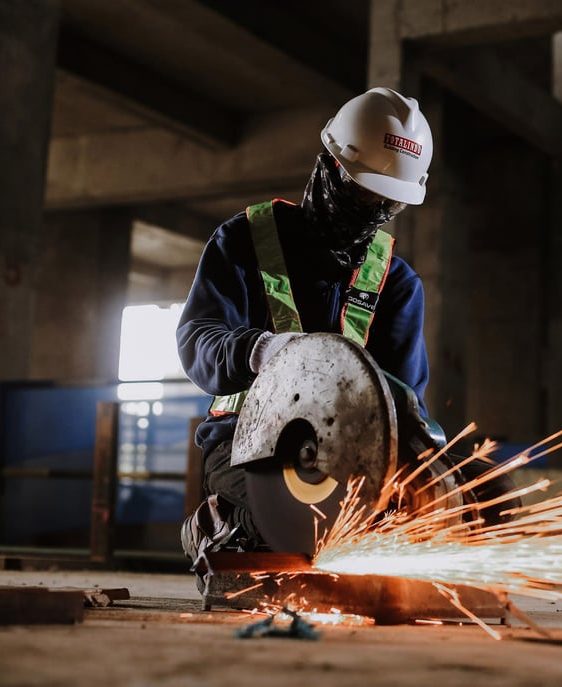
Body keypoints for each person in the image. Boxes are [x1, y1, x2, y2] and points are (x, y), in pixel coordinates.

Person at [176, 87, 435, 561]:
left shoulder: (396, 282)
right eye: (363, 195)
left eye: (388, 205)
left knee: (414, 514)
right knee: (303, 525)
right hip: (245, 441)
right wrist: (260, 352)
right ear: (330, 166)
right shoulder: (243, 242)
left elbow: (405, 397)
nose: (373, 214)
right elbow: (198, 342)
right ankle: (219, 524)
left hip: (348, 451)